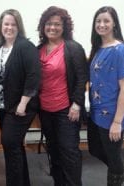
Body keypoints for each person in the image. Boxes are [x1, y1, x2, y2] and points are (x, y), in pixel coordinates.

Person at [37, 6, 88, 186]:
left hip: (67, 110)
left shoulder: (73, 48)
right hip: (45, 110)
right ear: (43, 26)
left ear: (64, 26)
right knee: (54, 151)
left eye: (57, 24)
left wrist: (77, 104)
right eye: (49, 24)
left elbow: (82, 78)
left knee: (69, 151)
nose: (53, 27)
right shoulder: (39, 50)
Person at [0, 9, 40, 186]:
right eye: (6, 24)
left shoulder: (25, 47)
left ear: (18, 26)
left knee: (9, 143)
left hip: (20, 106)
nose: (9, 27)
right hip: (2, 106)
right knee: (15, 146)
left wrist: (23, 102)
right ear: (1, 26)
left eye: (13, 24)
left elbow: (33, 76)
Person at [88, 6, 124, 186]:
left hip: (113, 114)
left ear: (114, 23)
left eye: (106, 21)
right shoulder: (98, 47)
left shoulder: (119, 49)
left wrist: (117, 121)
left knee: (113, 158)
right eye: (98, 21)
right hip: (96, 112)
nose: (102, 24)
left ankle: (119, 178)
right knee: (95, 149)